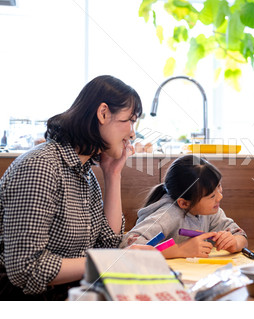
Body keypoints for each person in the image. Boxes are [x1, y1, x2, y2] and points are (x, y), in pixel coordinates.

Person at [0, 75, 145, 300]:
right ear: (103, 113)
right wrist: (113, 261)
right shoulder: (41, 166)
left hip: (72, 291)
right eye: (130, 120)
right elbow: (25, 269)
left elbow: (108, 244)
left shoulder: (85, 174)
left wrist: (113, 174)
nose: (133, 133)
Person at [121, 155, 248, 258]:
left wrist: (235, 242)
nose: (220, 197)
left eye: (219, 187)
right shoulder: (167, 216)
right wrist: (180, 250)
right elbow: (127, 250)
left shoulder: (211, 212)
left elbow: (241, 236)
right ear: (184, 203)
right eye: (211, 196)